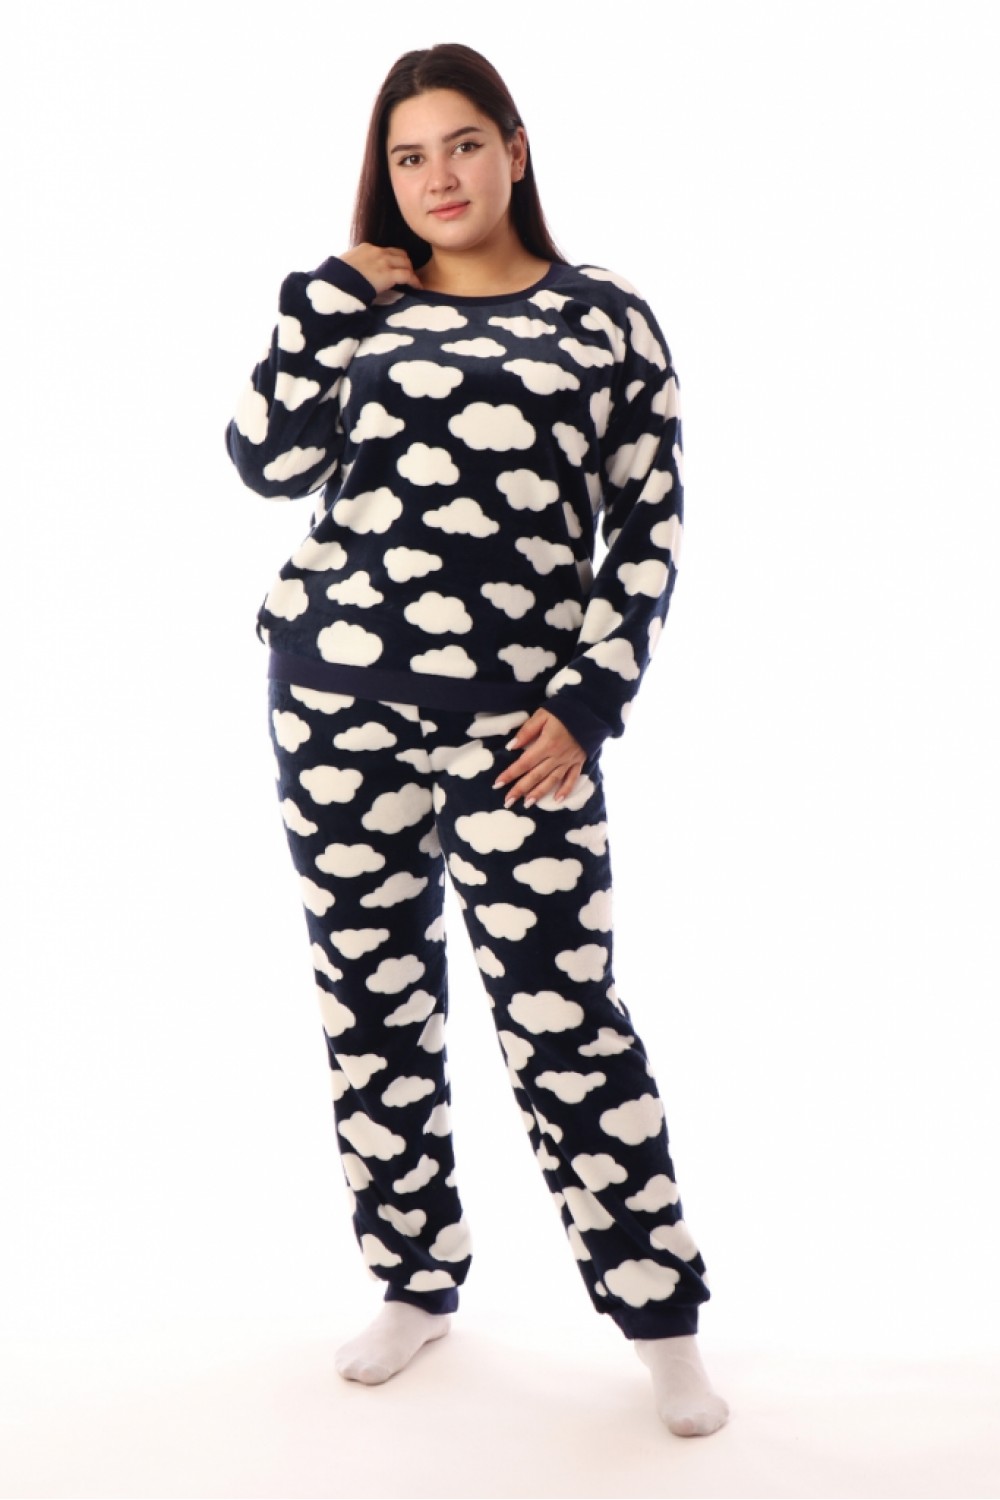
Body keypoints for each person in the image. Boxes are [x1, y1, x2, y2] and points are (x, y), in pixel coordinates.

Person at [225, 42, 728, 1438]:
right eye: (408, 157)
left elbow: (648, 529)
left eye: (460, 144)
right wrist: (328, 298)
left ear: (514, 147)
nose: (437, 177)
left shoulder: (605, 318)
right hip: (335, 701)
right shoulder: (361, 309)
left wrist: (589, 703)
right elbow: (265, 460)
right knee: (372, 1002)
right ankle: (413, 1282)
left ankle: (663, 1322)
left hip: (522, 734)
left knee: (565, 1017)